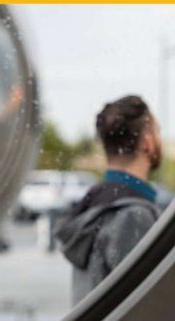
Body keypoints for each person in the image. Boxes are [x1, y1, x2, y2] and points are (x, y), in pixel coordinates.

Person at [55, 95, 163, 304]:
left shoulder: (93, 206)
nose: (160, 139)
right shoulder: (133, 215)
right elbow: (147, 306)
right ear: (148, 143)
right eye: (158, 132)